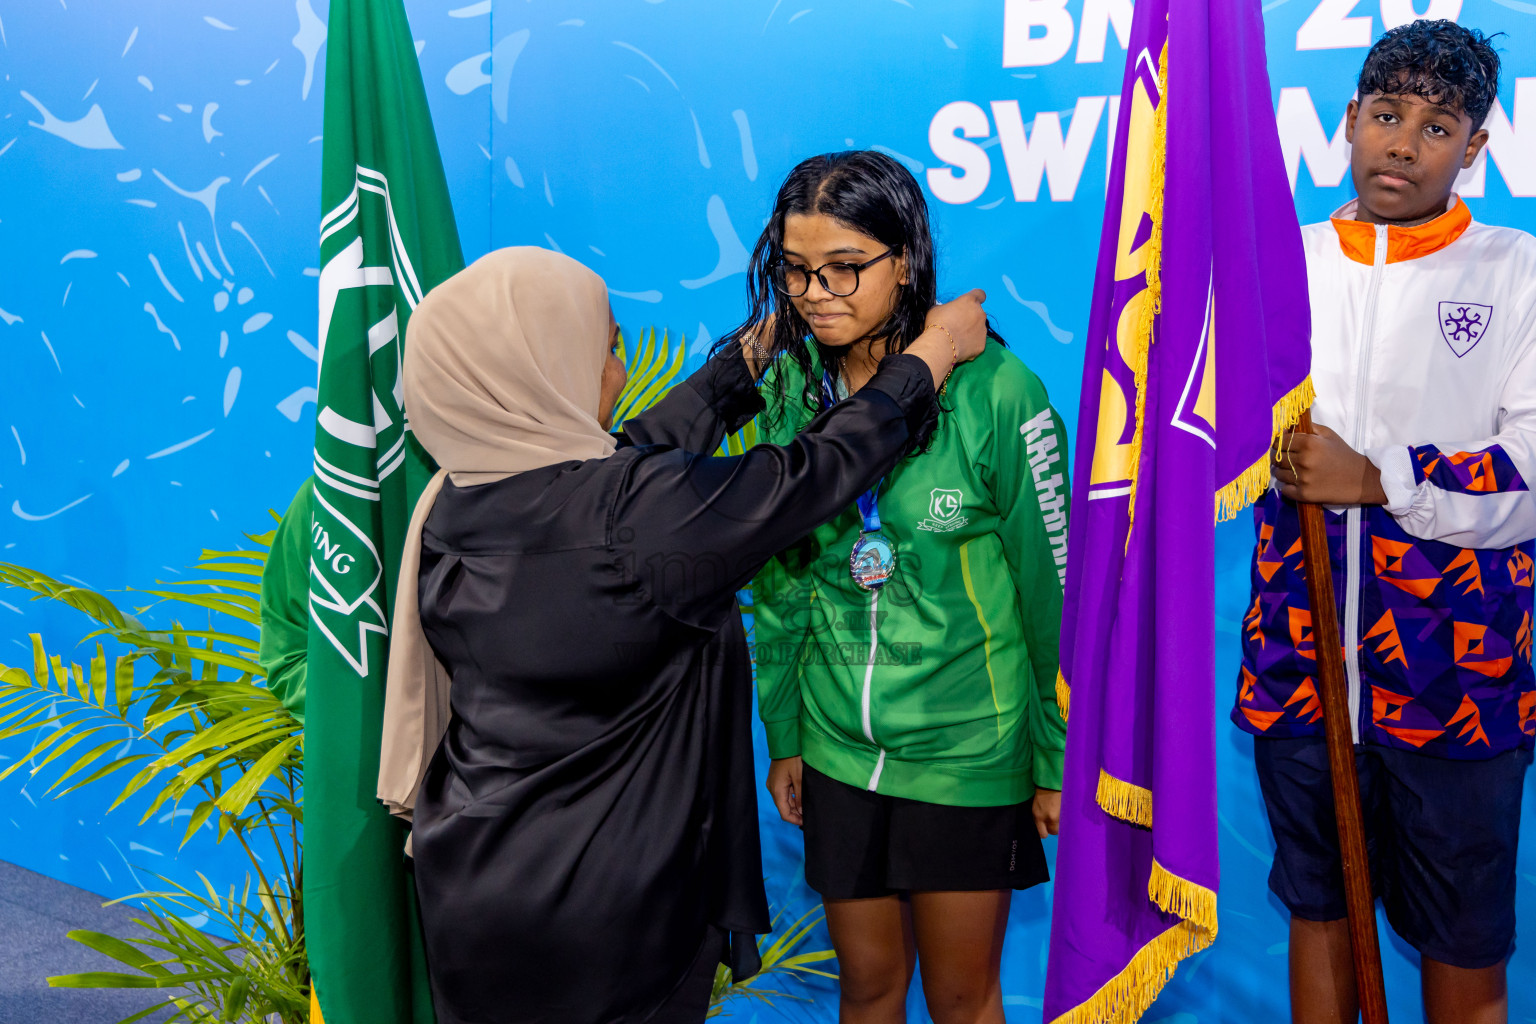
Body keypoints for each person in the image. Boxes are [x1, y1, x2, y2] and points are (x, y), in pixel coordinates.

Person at [374, 245, 991, 1024]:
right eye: (603, 346)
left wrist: (755, 357)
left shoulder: (456, 503)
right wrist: (934, 352)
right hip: (606, 913)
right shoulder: (631, 512)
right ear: (540, 367)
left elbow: (639, 448)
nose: (620, 365)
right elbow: (815, 470)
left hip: (472, 885)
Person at [1233, 21, 1535, 1024]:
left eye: (1438, 126)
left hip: (1458, 671)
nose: (1405, 144)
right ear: (1350, 121)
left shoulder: (1515, 273)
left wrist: (1384, 480)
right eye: (1388, 116)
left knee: (1462, 941)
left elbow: (1531, 474)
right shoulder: (1282, 265)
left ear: (1475, 149)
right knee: (1320, 914)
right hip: (1301, 664)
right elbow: (1209, 444)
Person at [745, 151, 1068, 1024]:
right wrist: (787, 735)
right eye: (796, 269)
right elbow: (777, 588)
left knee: (963, 1000)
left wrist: (1055, 758)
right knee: (870, 989)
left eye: (846, 267)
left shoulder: (999, 392)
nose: (817, 293)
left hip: (969, 753)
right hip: (839, 752)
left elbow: (1052, 595)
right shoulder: (787, 394)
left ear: (908, 257)